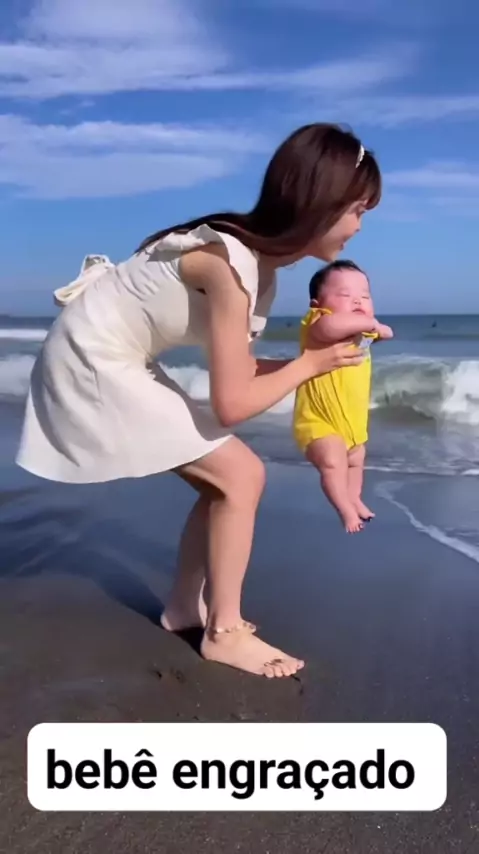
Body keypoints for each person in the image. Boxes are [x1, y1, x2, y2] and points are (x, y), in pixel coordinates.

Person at [16, 123, 382, 679]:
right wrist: (308, 365)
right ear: (320, 201)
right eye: (356, 210)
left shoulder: (257, 270)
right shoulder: (229, 263)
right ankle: (223, 632)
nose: (358, 226)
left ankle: (186, 608)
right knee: (241, 475)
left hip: (119, 355)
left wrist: (312, 366)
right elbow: (232, 404)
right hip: (90, 358)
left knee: (225, 478)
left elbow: (240, 372)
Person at [293, 260, 393, 533]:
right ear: (317, 304)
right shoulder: (318, 323)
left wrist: (377, 331)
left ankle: (354, 498)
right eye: (345, 295)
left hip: (353, 423)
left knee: (356, 460)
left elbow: (380, 334)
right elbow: (331, 327)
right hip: (317, 421)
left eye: (365, 296)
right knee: (333, 461)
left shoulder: (361, 334)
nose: (358, 301)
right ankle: (345, 510)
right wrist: (371, 322)